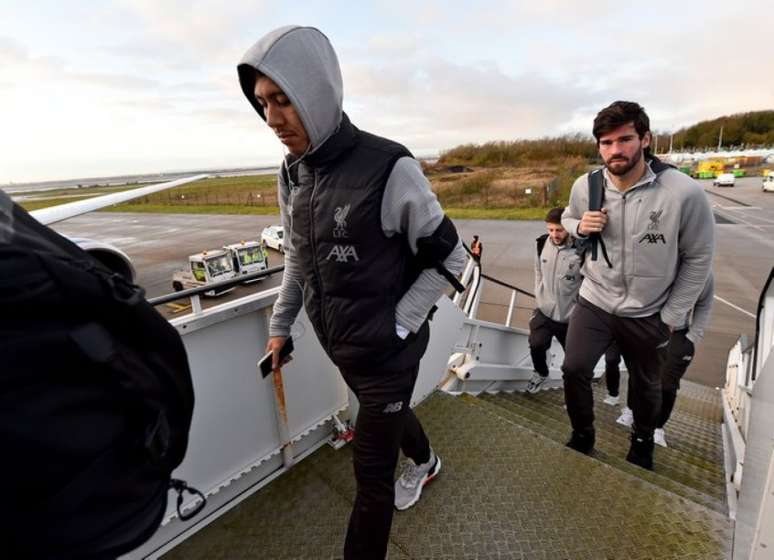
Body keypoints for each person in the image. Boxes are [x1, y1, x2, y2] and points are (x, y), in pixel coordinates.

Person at [237, 26, 466, 559]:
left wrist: (399, 324)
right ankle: (427, 462)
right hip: (343, 344)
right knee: (382, 409)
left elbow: (451, 258)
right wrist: (279, 326)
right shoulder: (293, 172)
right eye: (262, 103)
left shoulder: (389, 167)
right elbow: (298, 256)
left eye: (282, 100)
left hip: (388, 350)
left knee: (370, 478)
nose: (272, 119)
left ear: (316, 90)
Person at [561, 101, 714, 470]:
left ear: (645, 139)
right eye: (606, 142)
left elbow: (699, 258)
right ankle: (583, 433)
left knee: (647, 386)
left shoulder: (683, 193)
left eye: (625, 139)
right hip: (595, 299)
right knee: (573, 369)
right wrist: (579, 227)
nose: (616, 150)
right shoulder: (587, 186)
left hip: (649, 312)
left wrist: (672, 315)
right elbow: (567, 218)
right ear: (598, 146)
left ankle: (643, 440)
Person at [617, 274, 714, 448]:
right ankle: (632, 411)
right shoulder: (662, 257)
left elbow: (704, 304)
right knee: (638, 373)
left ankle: (657, 428)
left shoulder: (703, 272)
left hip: (678, 334)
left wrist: (692, 338)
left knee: (667, 385)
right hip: (647, 325)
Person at [526, 208, 582, 393]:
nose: (554, 234)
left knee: (573, 361)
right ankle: (541, 373)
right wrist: (538, 292)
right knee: (536, 344)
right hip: (545, 310)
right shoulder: (542, 243)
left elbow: (590, 280)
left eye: (559, 230)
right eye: (551, 230)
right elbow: (537, 270)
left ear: (568, 227)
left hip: (570, 317)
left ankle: (573, 390)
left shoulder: (582, 249)